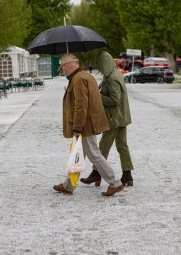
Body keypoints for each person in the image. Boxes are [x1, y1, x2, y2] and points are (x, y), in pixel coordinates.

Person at [53, 53, 124, 197]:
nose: (63, 71)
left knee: (94, 155)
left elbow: (81, 105)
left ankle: (114, 183)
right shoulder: (84, 76)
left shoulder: (78, 79)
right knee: (78, 155)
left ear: (68, 66)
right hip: (87, 123)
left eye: (63, 68)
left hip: (84, 125)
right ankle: (68, 185)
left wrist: (77, 127)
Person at [80, 52, 134, 187]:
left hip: (114, 117)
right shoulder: (114, 74)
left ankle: (96, 173)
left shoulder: (112, 79)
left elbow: (115, 100)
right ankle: (127, 175)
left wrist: (98, 97)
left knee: (103, 145)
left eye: (100, 66)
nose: (99, 69)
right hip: (122, 116)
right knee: (122, 146)